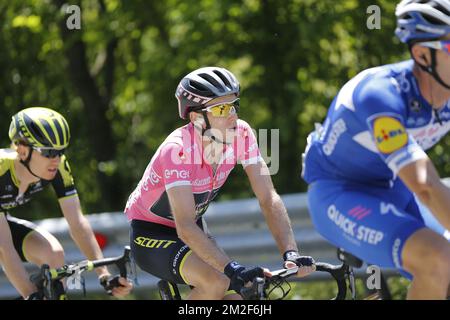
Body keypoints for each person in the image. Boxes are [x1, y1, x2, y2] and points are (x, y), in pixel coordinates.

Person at [301, 0, 450, 299]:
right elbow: (425, 185)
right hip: (341, 194)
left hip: (395, 188)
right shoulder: (380, 95)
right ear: (423, 55)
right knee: (438, 260)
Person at [125, 66, 315, 300]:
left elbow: (268, 197)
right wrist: (232, 268)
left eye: (233, 105)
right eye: (221, 109)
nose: (233, 115)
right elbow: (184, 225)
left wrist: (291, 253)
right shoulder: (177, 150)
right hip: (152, 234)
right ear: (196, 118)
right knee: (216, 282)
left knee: (239, 299)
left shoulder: (242, 134)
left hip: (194, 229)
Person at [0, 107, 132, 299]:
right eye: (48, 152)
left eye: (61, 151)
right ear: (22, 150)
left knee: (53, 254)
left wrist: (104, 275)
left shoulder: (58, 166)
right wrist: (30, 295)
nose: (56, 159)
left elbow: (77, 223)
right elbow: (4, 247)